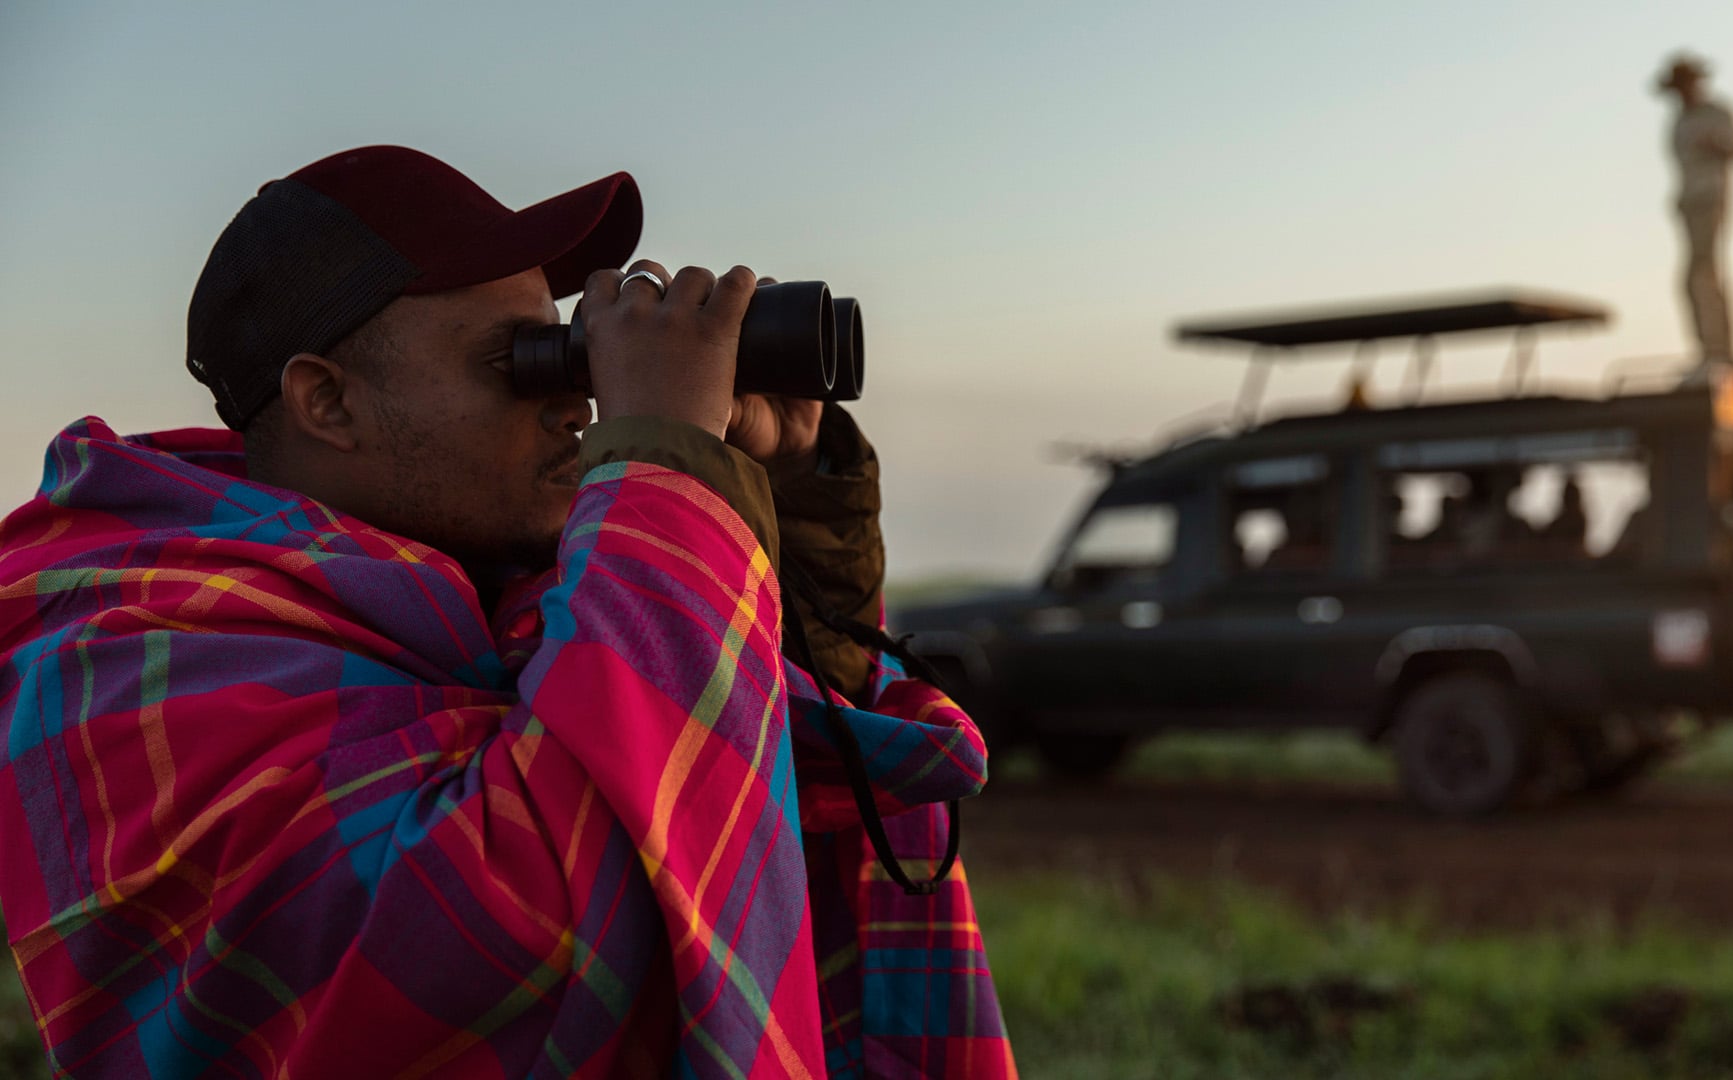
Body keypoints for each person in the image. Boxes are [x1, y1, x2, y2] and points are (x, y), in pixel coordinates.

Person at [0, 146, 1015, 1078]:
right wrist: (664, 467)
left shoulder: (503, 598)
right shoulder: (139, 652)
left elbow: (781, 786)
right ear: (327, 402)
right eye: (518, 363)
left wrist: (790, 498)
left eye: (572, 355)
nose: (576, 402)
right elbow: (520, 946)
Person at [1657, 52, 1733, 366]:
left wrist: (1714, 144)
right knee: (1696, 277)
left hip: (1711, 198)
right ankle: (1710, 351)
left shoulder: (1717, 113)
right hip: (1688, 203)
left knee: (1702, 273)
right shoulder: (1678, 121)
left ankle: (1720, 352)